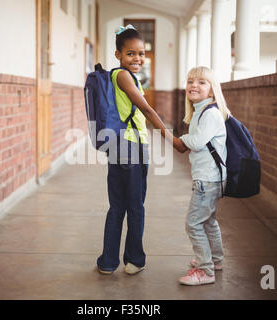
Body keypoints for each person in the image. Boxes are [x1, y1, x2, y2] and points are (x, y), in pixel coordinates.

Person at [96, 25, 185, 275]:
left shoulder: (120, 76)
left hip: (118, 146)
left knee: (117, 205)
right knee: (135, 205)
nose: (137, 59)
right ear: (118, 55)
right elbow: (146, 110)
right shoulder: (123, 76)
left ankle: (107, 262)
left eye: (141, 54)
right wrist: (172, 139)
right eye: (130, 54)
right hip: (132, 146)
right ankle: (134, 260)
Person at [176, 66, 231, 286]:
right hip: (210, 177)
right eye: (190, 81)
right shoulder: (201, 111)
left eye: (201, 82)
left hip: (207, 179)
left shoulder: (211, 113)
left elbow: (197, 142)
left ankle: (205, 270)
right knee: (208, 221)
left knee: (193, 224)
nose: (194, 86)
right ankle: (215, 260)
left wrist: (182, 138)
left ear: (211, 90)